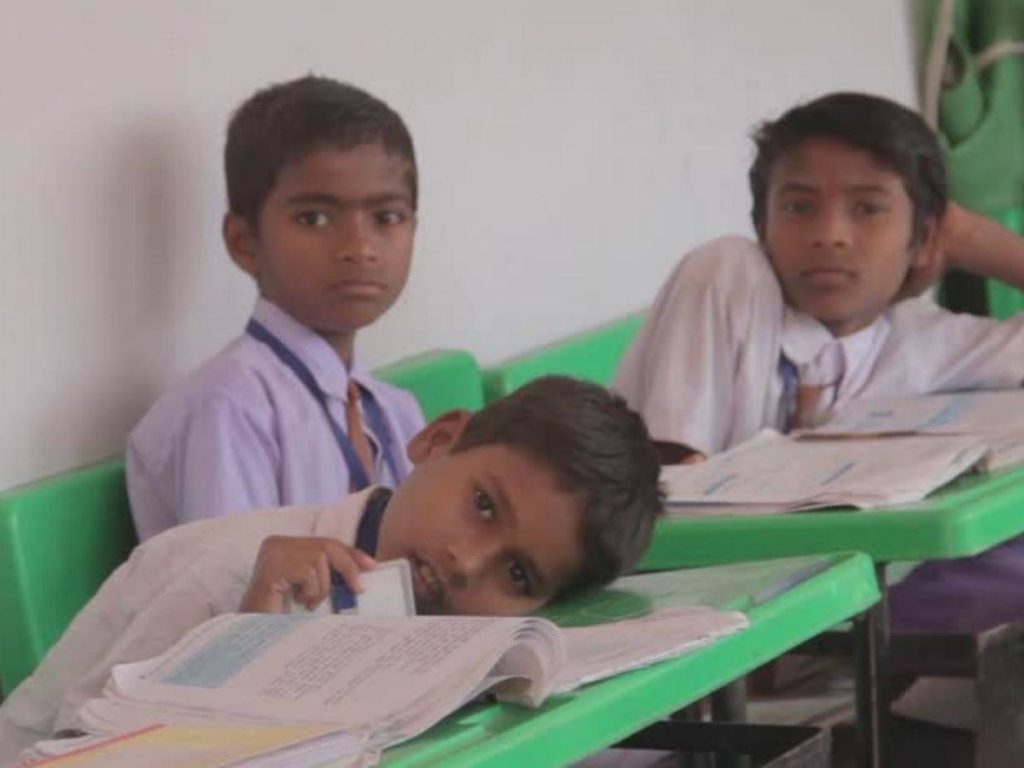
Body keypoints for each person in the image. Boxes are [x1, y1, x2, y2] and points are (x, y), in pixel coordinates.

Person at [0, 376, 664, 761]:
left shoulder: (441, 630)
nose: (468, 562)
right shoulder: (222, 577)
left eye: (518, 576)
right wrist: (243, 650)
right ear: (438, 441)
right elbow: (76, 753)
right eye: (483, 506)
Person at [614, 91, 1024, 633]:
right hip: (695, 608)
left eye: (867, 209)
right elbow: (669, 497)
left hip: (838, 602)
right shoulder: (729, 277)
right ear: (762, 225)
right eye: (800, 207)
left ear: (924, 236)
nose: (829, 235)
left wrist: (970, 237)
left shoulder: (918, 338)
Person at [127, 75, 424, 541]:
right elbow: (239, 582)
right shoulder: (229, 408)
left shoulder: (395, 411)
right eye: (315, 218)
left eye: (386, 217)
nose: (360, 247)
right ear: (245, 242)